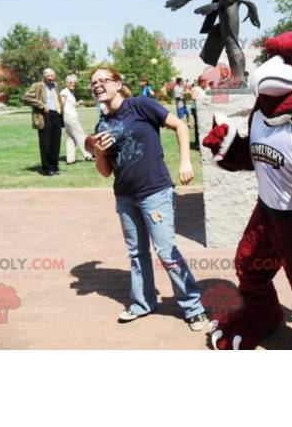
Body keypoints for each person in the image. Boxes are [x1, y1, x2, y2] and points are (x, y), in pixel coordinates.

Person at [86, 65, 207, 331]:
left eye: (103, 80)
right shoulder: (102, 124)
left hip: (155, 192)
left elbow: (179, 126)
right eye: (92, 82)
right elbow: (106, 173)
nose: (96, 85)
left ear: (118, 84)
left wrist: (186, 161)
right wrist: (98, 153)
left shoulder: (140, 105)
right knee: (137, 253)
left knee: (166, 251)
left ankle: (193, 306)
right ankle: (143, 303)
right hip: (125, 198)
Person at [22, 68, 63, 176]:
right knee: (46, 143)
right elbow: (25, 97)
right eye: (48, 76)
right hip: (45, 116)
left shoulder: (56, 85)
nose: (51, 78)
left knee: (56, 143)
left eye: (52, 76)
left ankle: (54, 167)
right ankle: (46, 169)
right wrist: (41, 105)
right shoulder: (38, 85)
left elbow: (58, 100)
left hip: (57, 116)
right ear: (44, 77)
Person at [59, 75, 93, 164]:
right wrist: (59, 114)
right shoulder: (64, 92)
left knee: (71, 138)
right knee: (80, 135)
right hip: (69, 117)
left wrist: (78, 103)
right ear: (66, 83)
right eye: (70, 82)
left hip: (71, 116)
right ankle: (88, 155)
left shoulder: (71, 93)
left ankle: (70, 159)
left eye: (74, 83)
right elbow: (61, 104)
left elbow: (70, 105)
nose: (73, 84)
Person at [190, 77, 206, 146]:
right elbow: (193, 97)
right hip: (196, 108)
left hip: (200, 109)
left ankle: (200, 142)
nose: (206, 84)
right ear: (202, 82)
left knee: (200, 125)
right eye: (205, 82)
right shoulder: (197, 89)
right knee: (198, 126)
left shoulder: (202, 89)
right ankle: (198, 143)